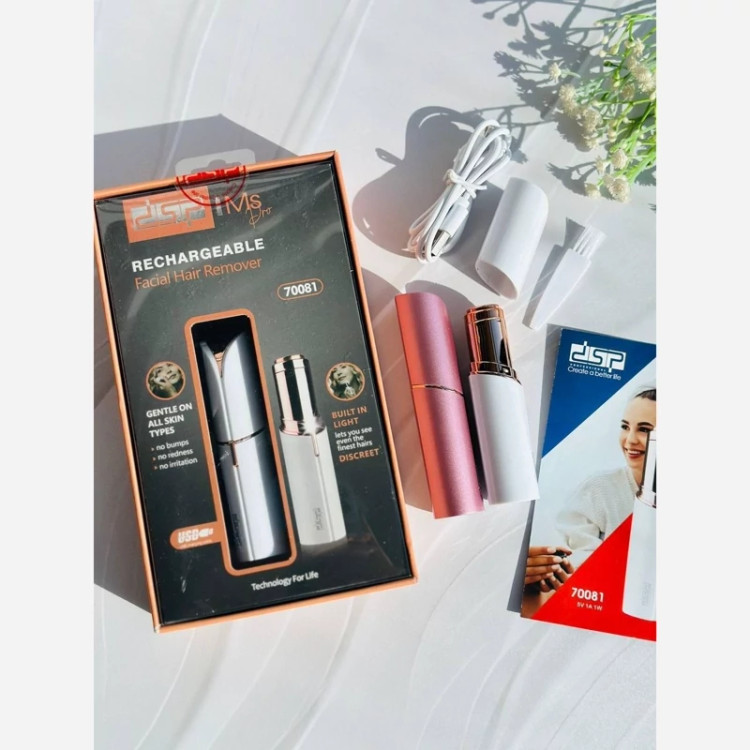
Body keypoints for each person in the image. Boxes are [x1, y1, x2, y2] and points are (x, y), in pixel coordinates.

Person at [525, 386, 656, 594]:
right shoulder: (600, 488)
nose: (630, 440)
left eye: (645, 429)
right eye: (625, 426)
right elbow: (574, 553)